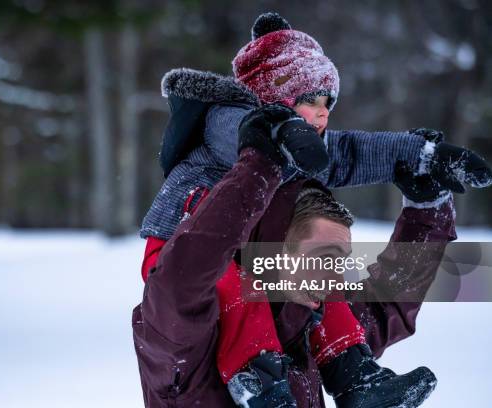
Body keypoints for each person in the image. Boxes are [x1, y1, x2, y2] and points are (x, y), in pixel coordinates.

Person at [136, 12, 492, 407]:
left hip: (246, 257)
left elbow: (388, 297)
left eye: (339, 261)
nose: (323, 113)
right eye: (311, 102)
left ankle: (355, 375)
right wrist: (265, 147)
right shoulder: (185, 333)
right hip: (181, 245)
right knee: (229, 282)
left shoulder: (306, 319)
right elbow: (189, 275)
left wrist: (423, 177)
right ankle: (257, 377)